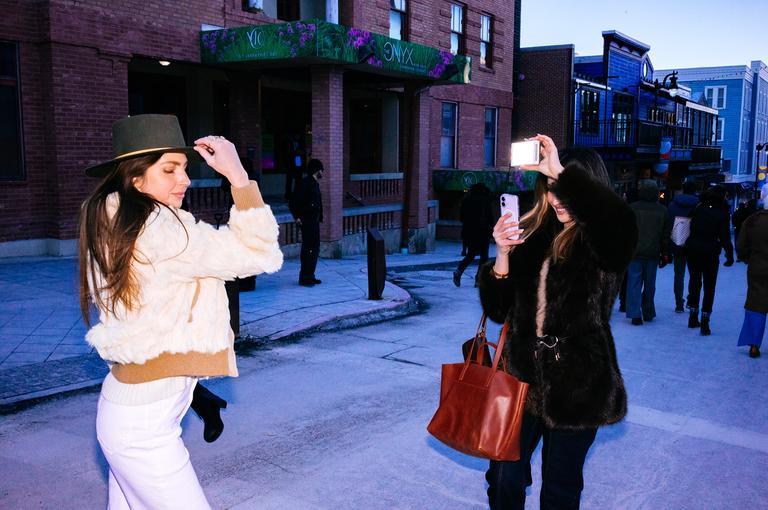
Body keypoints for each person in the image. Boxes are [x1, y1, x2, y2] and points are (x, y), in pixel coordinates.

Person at [79, 114, 283, 508]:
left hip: (134, 414)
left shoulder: (119, 222)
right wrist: (239, 177)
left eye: (185, 168)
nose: (184, 179)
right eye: (169, 169)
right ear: (135, 178)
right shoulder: (163, 232)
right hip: (144, 427)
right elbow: (261, 253)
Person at [478, 135, 637, 510]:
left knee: (560, 491)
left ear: (587, 191)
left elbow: (620, 224)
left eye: (565, 187)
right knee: (503, 477)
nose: (557, 198)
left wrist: (561, 173)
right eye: (550, 188)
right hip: (522, 380)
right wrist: (502, 256)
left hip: (579, 385)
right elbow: (499, 310)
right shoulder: (533, 237)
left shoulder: (602, 244)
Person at [684, 185, 734, 335]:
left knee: (694, 282)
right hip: (710, 251)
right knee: (709, 285)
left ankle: (693, 315)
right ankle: (705, 320)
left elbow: (689, 225)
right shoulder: (722, 213)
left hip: (693, 248)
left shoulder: (698, 207)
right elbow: (725, 236)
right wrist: (729, 254)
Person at [626, 179, 670, 325]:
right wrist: (665, 253)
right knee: (650, 284)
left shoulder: (632, 208)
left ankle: (635, 314)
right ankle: (648, 311)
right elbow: (665, 235)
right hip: (653, 253)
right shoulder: (662, 210)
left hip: (634, 252)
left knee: (634, 283)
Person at [736, 201, 768, 358]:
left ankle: (754, 345)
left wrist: (748, 259)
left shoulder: (752, 220)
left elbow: (741, 245)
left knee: (756, 304)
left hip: (757, 267)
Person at [453, 183, 494, 287]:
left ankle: (459, 271)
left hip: (469, 232)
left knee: (471, 254)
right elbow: (490, 218)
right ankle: (478, 279)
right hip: (483, 232)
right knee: (484, 256)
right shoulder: (485, 200)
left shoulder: (466, 200)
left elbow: (462, 218)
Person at [290, 158, 324, 286]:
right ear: (316, 170)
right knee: (308, 249)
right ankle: (305, 277)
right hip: (307, 220)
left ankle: (310, 274)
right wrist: (297, 216)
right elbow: (294, 201)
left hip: (314, 221)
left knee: (314, 249)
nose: (322, 173)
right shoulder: (305, 183)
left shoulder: (315, 183)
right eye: (321, 170)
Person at [667, 181, 699, 312]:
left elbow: (668, 224)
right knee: (695, 275)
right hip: (694, 243)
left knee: (678, 275)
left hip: (677, 242)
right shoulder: (699, 205)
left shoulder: (673, 204)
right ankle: (692, 301)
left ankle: (678, 303)